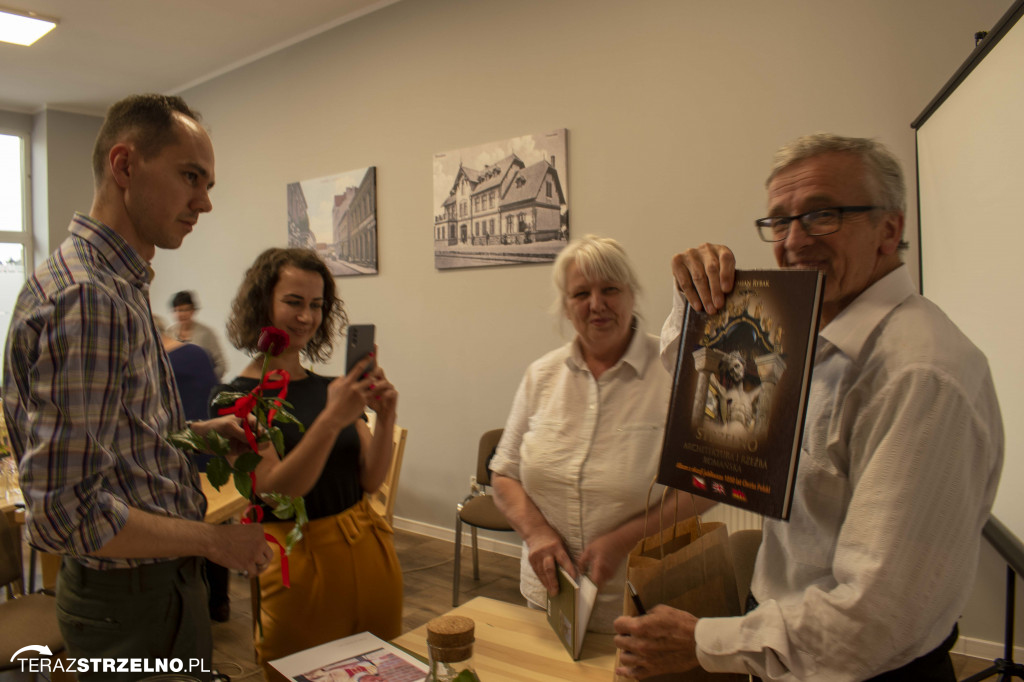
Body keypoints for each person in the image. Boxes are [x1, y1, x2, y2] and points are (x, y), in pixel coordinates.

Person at [613, 134, 1004, 681]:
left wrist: (702, 641)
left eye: (822, 215)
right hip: (786, 647)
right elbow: (697, 381)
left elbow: (873, 621)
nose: (794, 241)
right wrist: (693, 295)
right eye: (779, 221)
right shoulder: (813, 329)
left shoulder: (919, 377)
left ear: (889, 230)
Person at [1, 94, 272, 681]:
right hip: (131, 605)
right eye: (190, 176)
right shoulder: (89, 297)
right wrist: (214, 542)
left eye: (208, 183)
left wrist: (199, 434)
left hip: (147, 595)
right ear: (124, 166)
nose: (203, 202)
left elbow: (120, 441)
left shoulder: (113, 283)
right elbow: (65, 516)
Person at [490, 235, 714, 633]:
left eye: (610, 288)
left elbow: (703, 486)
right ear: (565, 305)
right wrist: (537, 534)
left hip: (642, 602)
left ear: (632, 294)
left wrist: (624, 539)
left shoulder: (676, 371)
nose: (597, 304)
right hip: (546, 599)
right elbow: (504, 473)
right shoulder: (540, 376)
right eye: (581, 293)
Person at [223, 247, 402, 681]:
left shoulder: (331, 387)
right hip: (297, 561)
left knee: (383, 670)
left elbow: (371, 478)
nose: (306, 317)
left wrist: (388, 415)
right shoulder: (236, 399)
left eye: (317, 305)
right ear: (263, 303)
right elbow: (276, 491)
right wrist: (331, 419)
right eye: (294, 302)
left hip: (368, 546)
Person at [168, 290, 227, 379]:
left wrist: (206, 379)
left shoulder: (206, 333)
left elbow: (221, 365)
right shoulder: (169, 333)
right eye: (178, 310)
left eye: (186, 310)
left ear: (193, 311)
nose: (182, 314)